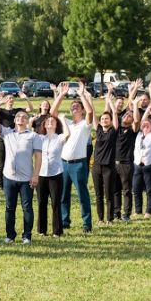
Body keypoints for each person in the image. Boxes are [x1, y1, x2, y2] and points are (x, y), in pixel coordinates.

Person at [50, 81, 94, 233]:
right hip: (64, 164)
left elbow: (90, 113)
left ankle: (87, 224)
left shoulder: (85, 125)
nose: (74, 107)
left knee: (82, 195)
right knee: (63, 195)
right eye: (72, 106)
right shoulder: (66, 122)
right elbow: (53, 113)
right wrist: (61, 94)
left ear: (81, 110)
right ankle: (64, 220)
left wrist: (82, 95)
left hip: (79, 164)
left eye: (77, 106)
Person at [0, 106, 42, 245]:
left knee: (27, 207)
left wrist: (35, 176)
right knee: (9, 207)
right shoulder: (7, 133)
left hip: (26, 179)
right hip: (9, 177)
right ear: (14, 120)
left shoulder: (33, 136)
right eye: (18, 117)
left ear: (28, 121)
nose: (21, 119)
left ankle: (27, 236)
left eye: (24, 117)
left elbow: (38, 157)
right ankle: (10, 235)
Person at [37, 114, 71, 237]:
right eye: (48, 121)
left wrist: (61, 119)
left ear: (56, 125)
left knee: (56, 202)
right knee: (41, 202)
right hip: (41, 174)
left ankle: (57, 231)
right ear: (44, 125)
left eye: (53, 121)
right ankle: (41, 230)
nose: (50, 122)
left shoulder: (59, 138)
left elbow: (68, 134)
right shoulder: (40, 138)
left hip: (56, 174)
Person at [90, 93, 119, 225]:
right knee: (98, 194)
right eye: (103, 119)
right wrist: (90, 100)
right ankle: (100, 219)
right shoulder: (98, 130)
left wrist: (110, 102)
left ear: (110, 121)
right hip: (96, 167)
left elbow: (114, 114)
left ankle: (109, 219)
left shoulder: (113, 131)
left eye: (106, 119)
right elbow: (94, 114)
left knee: (109, 194)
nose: (104, 121)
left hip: (109, 168)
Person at [0, 92, 33, 189]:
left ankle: (14, 179)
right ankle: (0, 185)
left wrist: (26, 98)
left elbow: (30, 109)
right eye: (8, 98)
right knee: (2, 161)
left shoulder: (18, 111)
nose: (10, 99)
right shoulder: (1, 111)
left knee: (13, 160)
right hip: (3, 138)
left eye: (12, 98)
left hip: (15, 139)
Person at [132, 101, 151, 218]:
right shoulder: (139, 134)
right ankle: (138, 210)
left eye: (148, 125)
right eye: (144, 125)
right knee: (136, 188)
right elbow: (141, 122)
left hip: (150, 165)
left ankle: (148, 211)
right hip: (137, 166)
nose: (145, 126)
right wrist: (147, 110)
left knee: (150, 189)